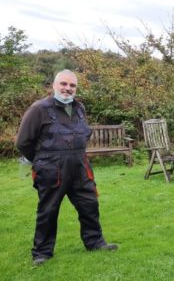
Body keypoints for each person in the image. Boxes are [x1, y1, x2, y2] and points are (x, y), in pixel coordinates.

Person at [16, 70, 117, 266]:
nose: (67, 89)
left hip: (80, 167)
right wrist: (40, 161)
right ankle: (42, 253)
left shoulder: (80, 108)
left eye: (72, 86)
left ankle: (95, 242)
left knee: (89, 206)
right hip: (51, 170)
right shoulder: (39, 109)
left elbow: (83, 134)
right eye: (63, 84)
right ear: (54, 85)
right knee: (48, 210)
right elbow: (23, 141)